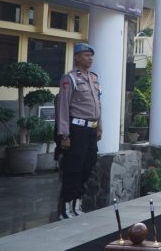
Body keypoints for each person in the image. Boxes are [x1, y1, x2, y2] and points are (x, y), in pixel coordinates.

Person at [56, 43, 101, 219]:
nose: (90, 58)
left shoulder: (94, 78)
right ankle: (66, 206)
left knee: (87, 166)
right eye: (86, 55)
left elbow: (98, 104)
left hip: (91, 129)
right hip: (76, 130)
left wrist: (100, 126)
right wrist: (64, 135)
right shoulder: (70, 78)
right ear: (77, 57)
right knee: (73, 168)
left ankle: (77, 202)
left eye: (91, 55)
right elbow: (63, 107)